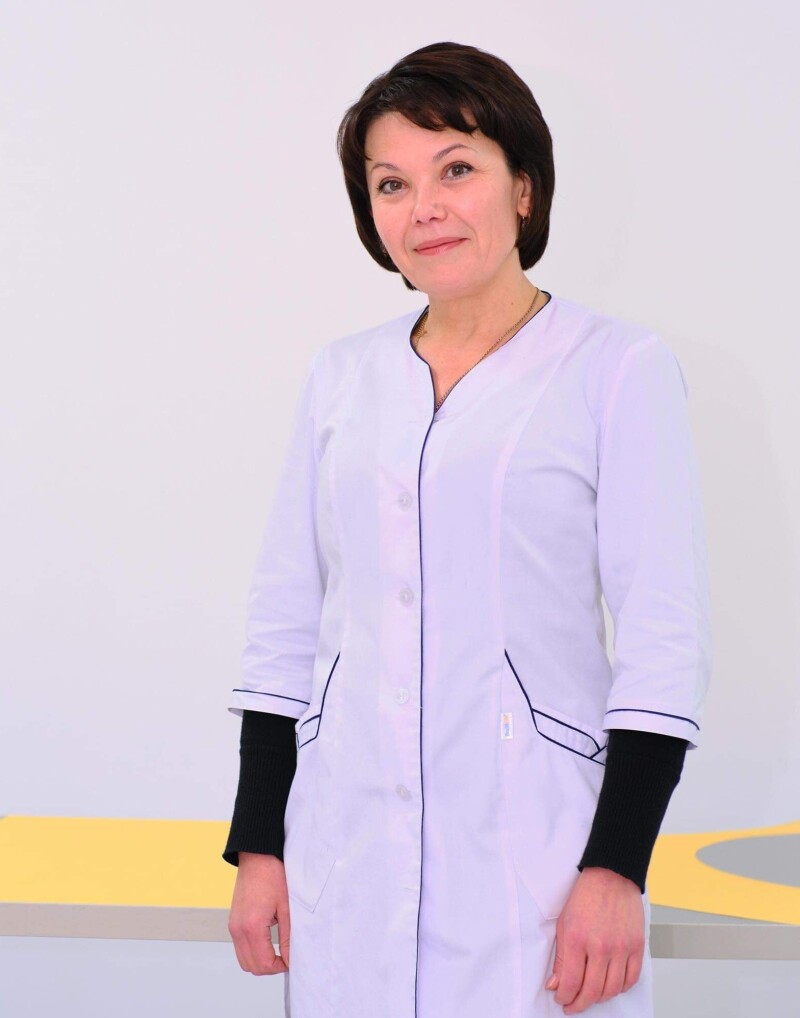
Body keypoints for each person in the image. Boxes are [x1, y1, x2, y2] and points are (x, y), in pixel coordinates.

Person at [222, 40, 712, 1018]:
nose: (425, 208)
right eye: (391, 183)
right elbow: (284, 622)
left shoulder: (616, 368)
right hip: (344, 854)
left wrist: (617, 865)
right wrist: (259, 844)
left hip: (537, 864)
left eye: (456, 169)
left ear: (523, 187)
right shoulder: (342, 377)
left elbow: (662, 639)